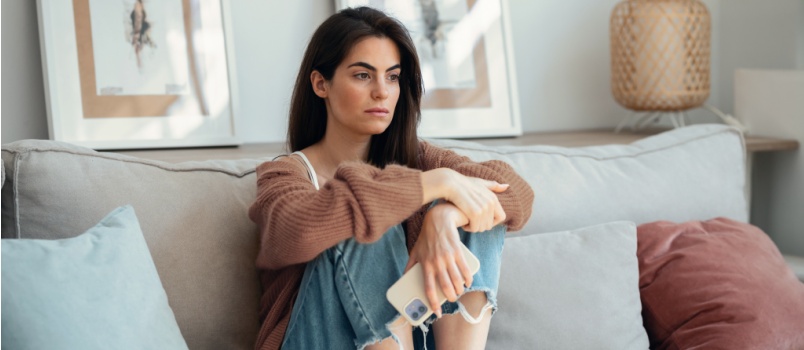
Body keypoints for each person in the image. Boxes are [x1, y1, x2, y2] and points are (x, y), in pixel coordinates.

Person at [248, 7, 533, 350]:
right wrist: (434, 184)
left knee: (474, 206)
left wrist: (445, 214)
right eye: (363, 75)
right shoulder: (285, 175)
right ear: (320, 83)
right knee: (361, 217)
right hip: (316, 340)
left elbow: (512, 190)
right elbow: (293, 230)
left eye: (393, 76)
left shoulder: (418, 158)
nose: (382, 92)